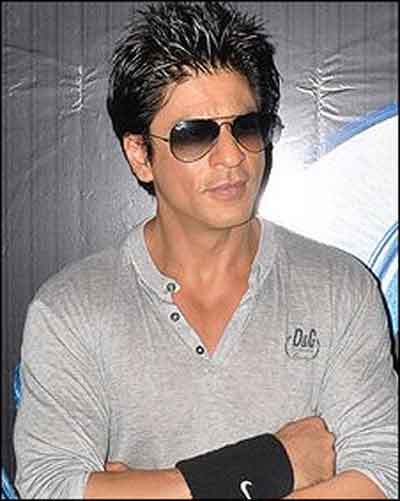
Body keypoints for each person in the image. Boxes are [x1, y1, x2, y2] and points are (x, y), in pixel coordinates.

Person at [13, 1, 397, 499]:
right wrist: (270, 466)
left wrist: (137, 489)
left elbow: (382, 475)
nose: (232, 156)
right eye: (194, 135)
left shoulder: (340, 288)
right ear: (139, 155)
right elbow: (48, 487)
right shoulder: (71, 310)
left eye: (246, 127)